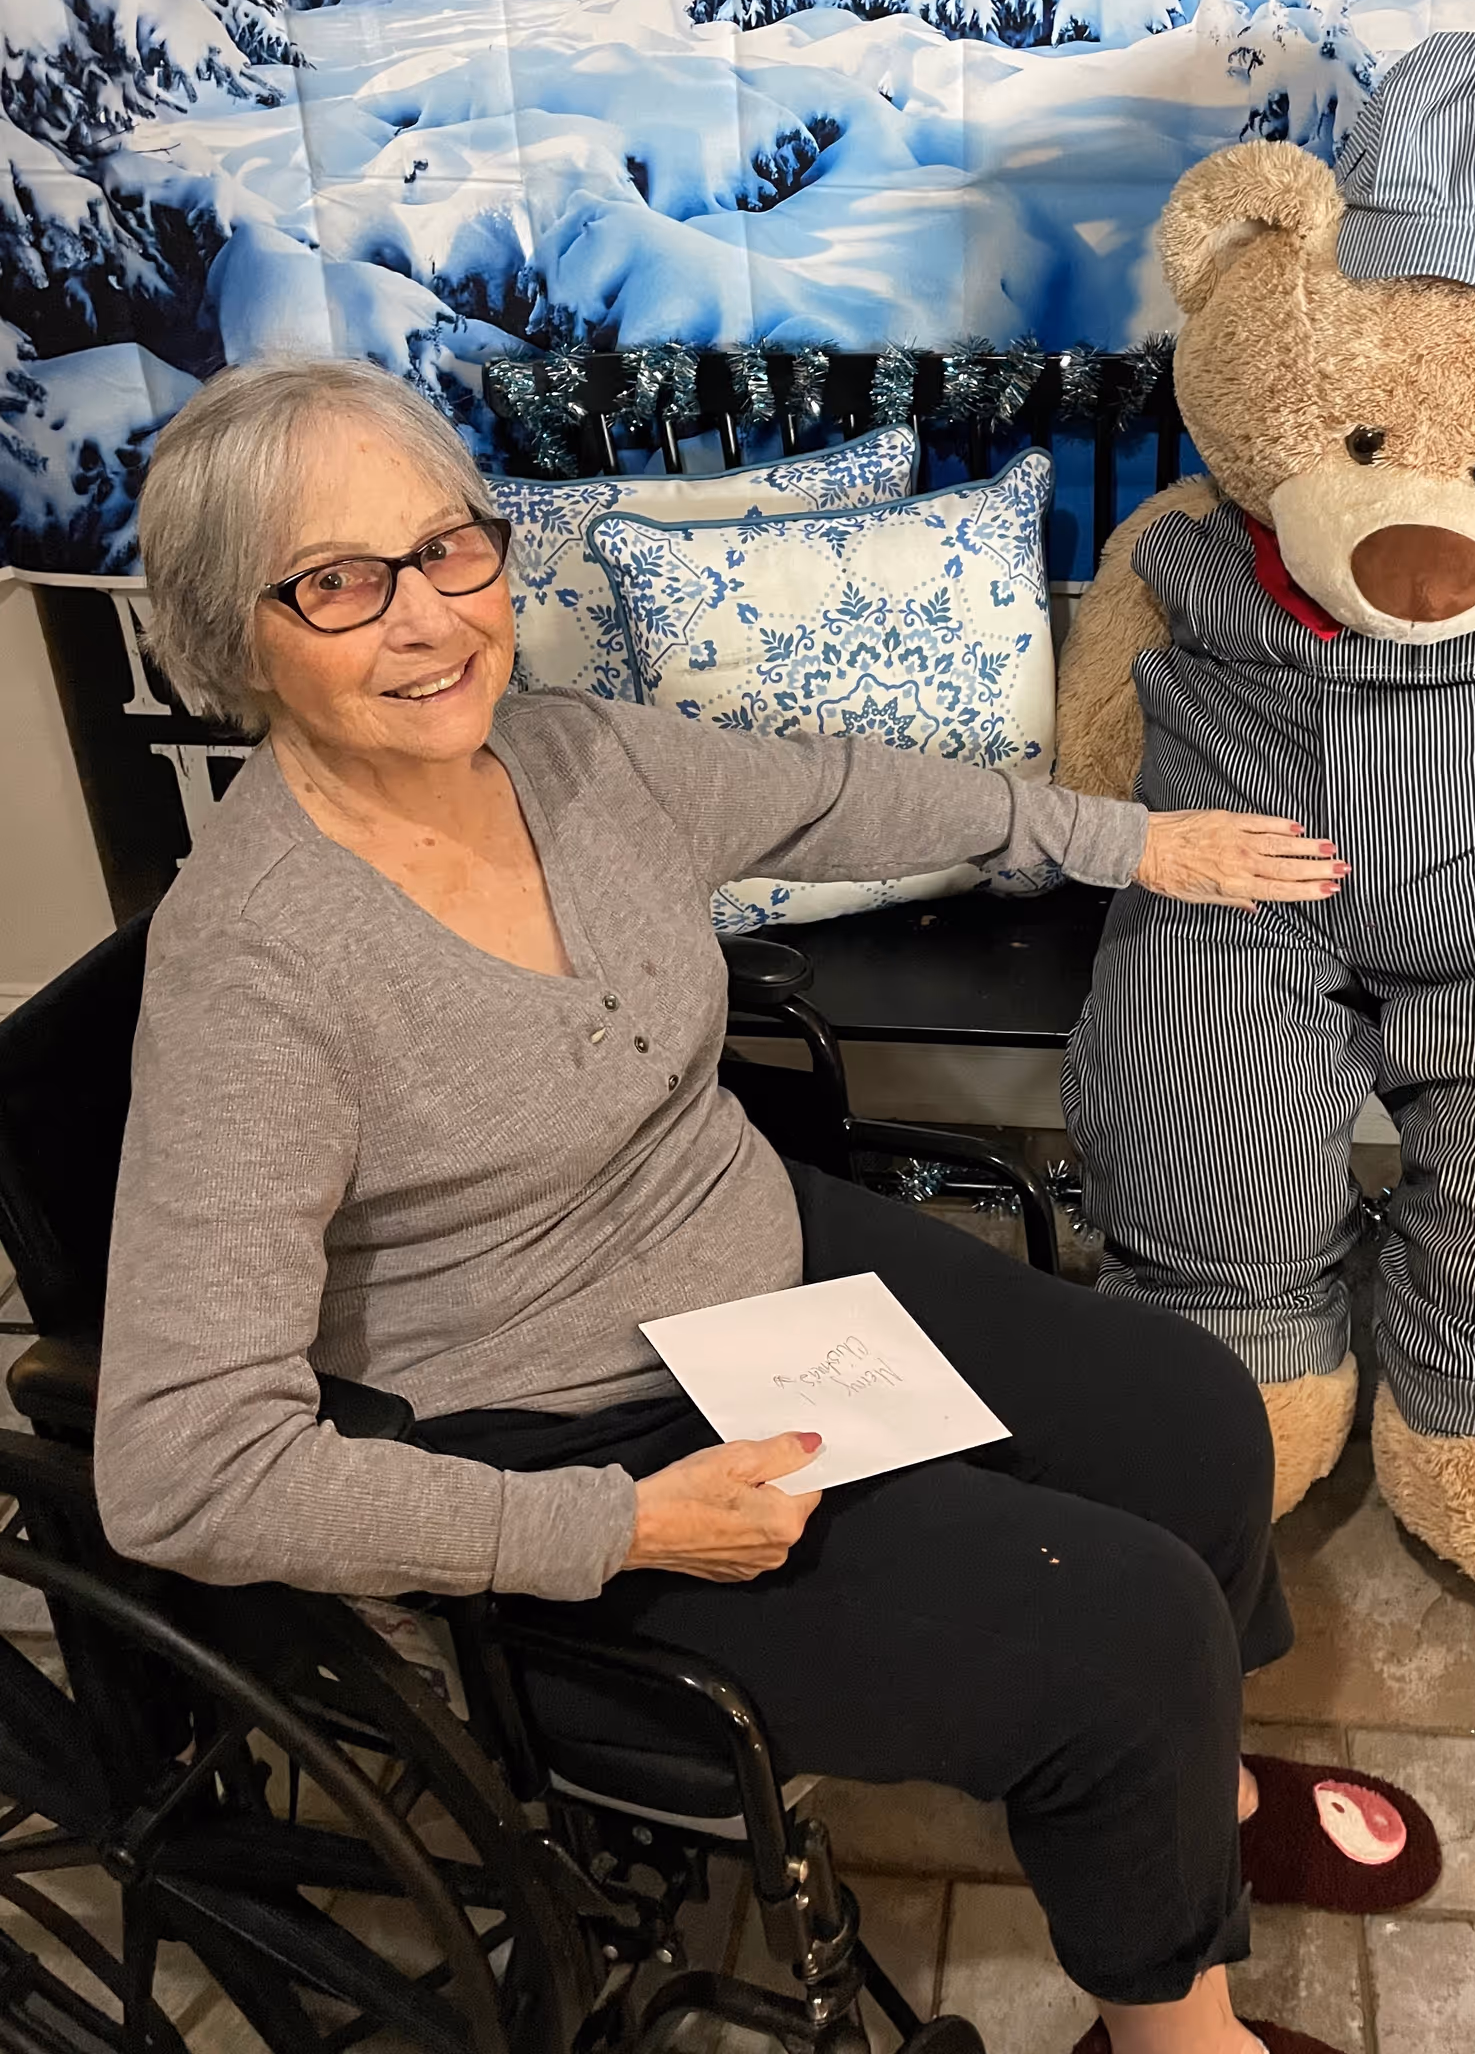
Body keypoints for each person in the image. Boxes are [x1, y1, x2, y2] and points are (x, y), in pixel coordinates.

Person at [96, 358, 1383, 2054]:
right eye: (339, 582)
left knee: (1190, 1413)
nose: (428, 619)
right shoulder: (256, 968)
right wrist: (614, 1530)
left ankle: (1178, 1799)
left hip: (741, 1260)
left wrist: (1124, 843)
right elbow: (177, 1467)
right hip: (567, 1443)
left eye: (450, 550)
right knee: (1118, 1629)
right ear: (229, 634)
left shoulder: (572, 757)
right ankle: (1170, 2031)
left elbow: (848, 791)